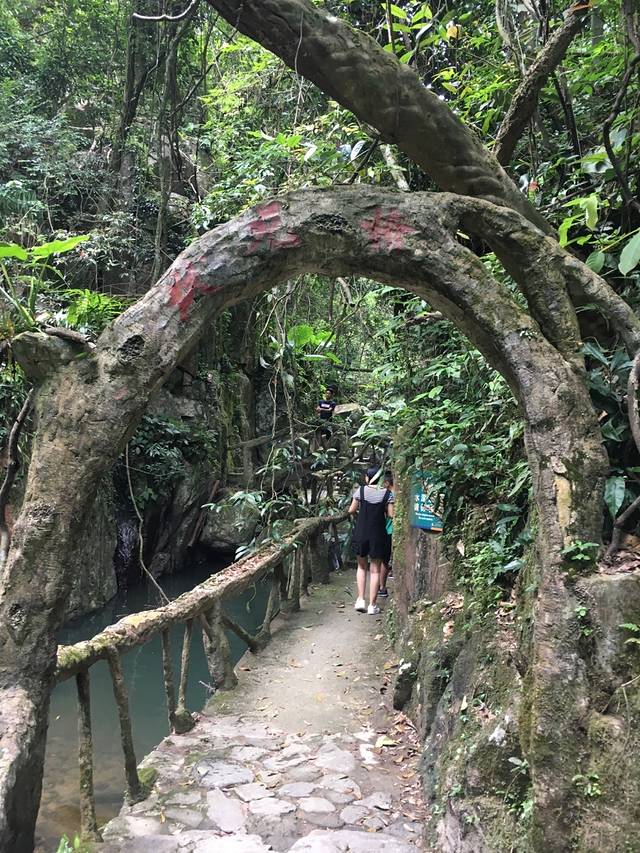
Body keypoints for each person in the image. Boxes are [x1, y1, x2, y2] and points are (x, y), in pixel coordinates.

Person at [348, 466, 394, 615]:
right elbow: (391, 515)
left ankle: (361, 599)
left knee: (361, 567)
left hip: (361, 533)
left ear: (367, 478)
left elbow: (351, 510)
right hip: (378, 535)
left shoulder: (360, 491)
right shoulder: (387, 493)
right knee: (375, 571)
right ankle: (372, 606)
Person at [378, 471, 394, 598]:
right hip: (388, 530)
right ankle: (381, 586)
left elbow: (390, 514)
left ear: (387, 483)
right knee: (385, 560)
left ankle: (382, 587)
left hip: (388, 530)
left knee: (384, 560)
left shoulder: (389, 495)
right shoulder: (396, 494)